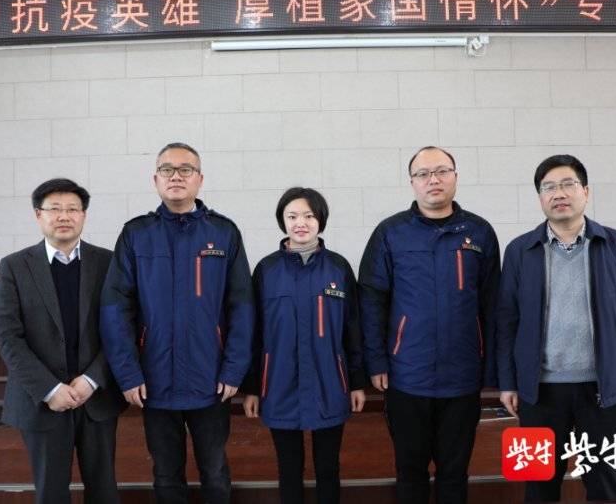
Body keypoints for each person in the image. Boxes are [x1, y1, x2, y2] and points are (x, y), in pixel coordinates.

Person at [99, 142, 254, 504]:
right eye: (167, 170)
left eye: (186, 169)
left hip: (212, 379)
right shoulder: (136, 234)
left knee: (215, 472)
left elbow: (242, 307)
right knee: (166, 475)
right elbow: (114, 308)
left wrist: (234, 370)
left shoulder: (224, 232)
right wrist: (128, 374)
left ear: (200, 179)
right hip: (154, 380)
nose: (176, 176)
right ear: (155, 179)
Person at [497, 154, 616, 502]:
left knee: (605, 489)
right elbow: (506, 321)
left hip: (604, 391)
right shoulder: (520, 250)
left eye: (568, 184)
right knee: (538, 488)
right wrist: (507, 382)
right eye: (548, 187)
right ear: (540, 197)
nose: (559, 193)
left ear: (586, 191)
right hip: (538, 393)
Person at [358, 146, 500, 504]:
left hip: (462, 375)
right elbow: (371, 301)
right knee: (410, 472)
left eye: (441, 171)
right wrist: (376, 361)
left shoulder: (479, 232)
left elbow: (493, 304)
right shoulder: (390, 233)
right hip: (407, 375)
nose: (433, 179)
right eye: (423, 174)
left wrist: (492, 367)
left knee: (455, 473)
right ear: (412, 183)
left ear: (455, 176)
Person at [0, 178, 126, 504]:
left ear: (83, 215)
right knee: (50, 492)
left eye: (72, 209)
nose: (64, 216)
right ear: (38, 215)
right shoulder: (14, 266)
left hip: (96, 397)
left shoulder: (108, 263)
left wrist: (92, 379)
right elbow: (9, 337)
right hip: (41, 400)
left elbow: (121, 330)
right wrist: (50, 389)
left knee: (104, 490)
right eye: (54, 209)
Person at [242, 187, 366, 504]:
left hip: (330, 383)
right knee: (288, 468)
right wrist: (252, 387)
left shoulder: (338, 267)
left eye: (309, 216)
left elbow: (353, 329)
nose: (301, 223)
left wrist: (356, 382)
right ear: (282, 221)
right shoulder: (266, 270)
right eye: (293, 216)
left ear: (320, 220)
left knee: (328, 468)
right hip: (278, 384)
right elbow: (253, 333)